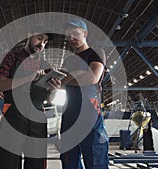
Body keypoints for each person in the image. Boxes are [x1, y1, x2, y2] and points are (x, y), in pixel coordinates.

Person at [0, 25, 61, 169]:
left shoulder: (46, 66)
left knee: (37, 162)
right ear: (29, 35)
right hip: (13, 114)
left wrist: (54, 89)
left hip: (37, 114)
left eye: (45, 42)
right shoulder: (12, 57)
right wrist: (26, 78)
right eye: (39, 38)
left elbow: (49, 100)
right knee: (8, 161)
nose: (41, 44)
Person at [59, 18, 109, 169]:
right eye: (68, 35)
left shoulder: (96, 53)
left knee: (95, 156)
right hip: (69, 111)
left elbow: (92, 77)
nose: (71, 38)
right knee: (69, 159)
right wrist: (79, 74)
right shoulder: (68, 60)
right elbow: (62, 82)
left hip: (89, 111)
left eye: (75, 34)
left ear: (85, 33)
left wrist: (68, 79)